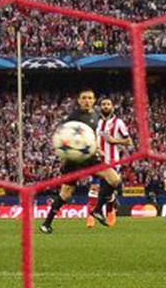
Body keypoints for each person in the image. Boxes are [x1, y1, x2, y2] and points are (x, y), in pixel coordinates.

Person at [40, 89, 123, 234]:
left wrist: (98, 148)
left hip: (90, 158)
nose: (87, 101)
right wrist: (65, 154)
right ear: (79, 100)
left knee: (114, 179)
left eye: (90, 98)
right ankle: (47, 223)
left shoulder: (97, 116)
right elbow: (62, 137)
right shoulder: (72, 118)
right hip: (74, 160)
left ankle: (97, 210)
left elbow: (95, 136)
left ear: (94, 100)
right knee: (66, 194)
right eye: (84, 98)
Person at [88, 96, 131, 228]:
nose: (106, 106)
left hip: (112, 161)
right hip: (97, 161)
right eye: (103, 104)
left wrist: (114, 141)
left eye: (108, 104)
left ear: (112, 107)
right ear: (100, 107)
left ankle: (110, 211)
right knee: (94, 188)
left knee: (108, 191)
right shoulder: (96, 123)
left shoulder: (119, 123)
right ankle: (91, 217)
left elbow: (128, 141)